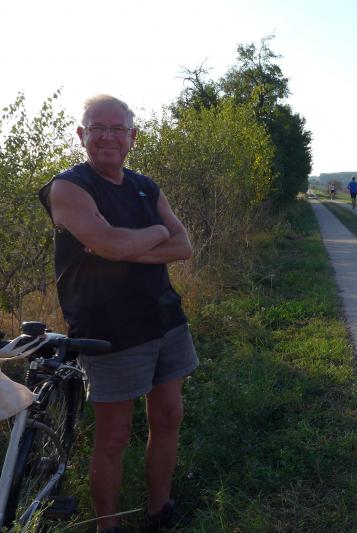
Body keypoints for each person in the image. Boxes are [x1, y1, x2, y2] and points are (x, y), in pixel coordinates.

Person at [38, 95, 198, 533]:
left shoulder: (146, 187)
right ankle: (107, 526)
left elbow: (184, 246)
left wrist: (124, 247)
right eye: (97, 127)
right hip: (108, 330)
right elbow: (111, 244)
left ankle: (159, 511)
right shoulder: (68, 187)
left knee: (169, 416)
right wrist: (154, 233)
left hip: (165, 319)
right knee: (113, 435)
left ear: (132, 137)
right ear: (81, 135)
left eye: (117, 128)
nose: (107, 136)